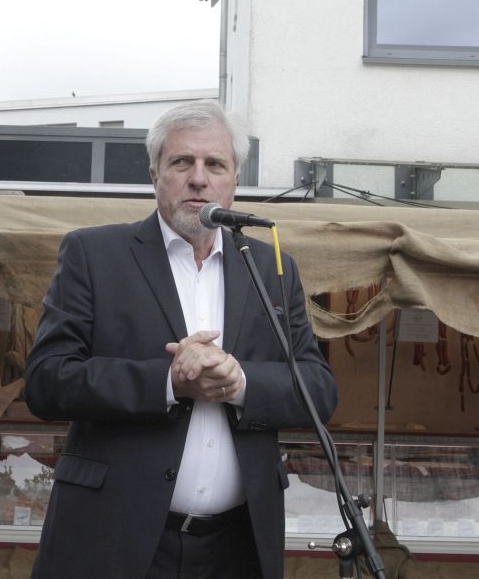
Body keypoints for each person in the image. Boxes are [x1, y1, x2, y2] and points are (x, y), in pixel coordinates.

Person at [23, 100, 338, 579]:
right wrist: (168, 382)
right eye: (182, 162)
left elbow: (318, 388)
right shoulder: (94, 253)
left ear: (234, 180)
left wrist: (240, 382)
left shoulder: (271, 266)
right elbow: (47, 381)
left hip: (239, 546)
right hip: (117, 539)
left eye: (215, 165)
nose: (199, 179)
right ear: (155, 175)